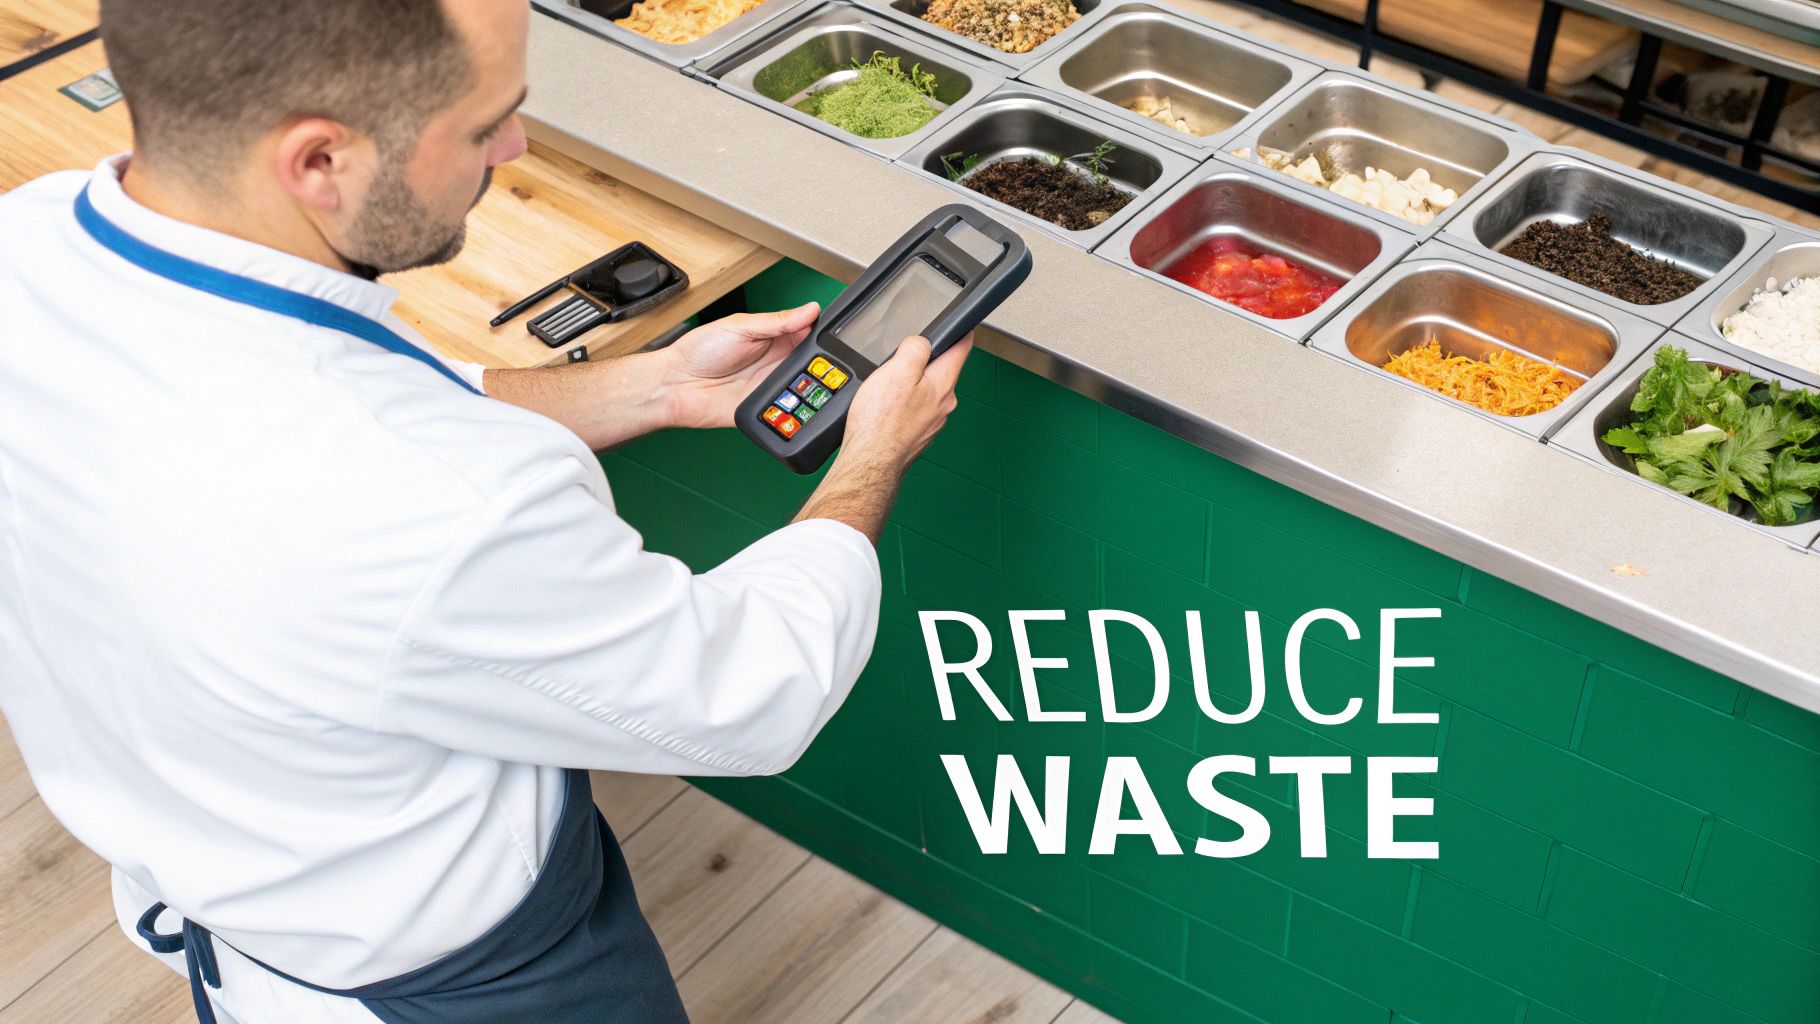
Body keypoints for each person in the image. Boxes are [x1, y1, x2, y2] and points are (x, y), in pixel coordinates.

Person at [0, 0, 969, 1020]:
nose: (513, 146)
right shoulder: (438, 510)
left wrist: (654, 385)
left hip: (223, 873)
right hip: (461, 987)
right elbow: (749, 692)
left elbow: (366, 396)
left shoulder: (30, 240)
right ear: (319, 161)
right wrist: (870, 458)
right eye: (481, 124)